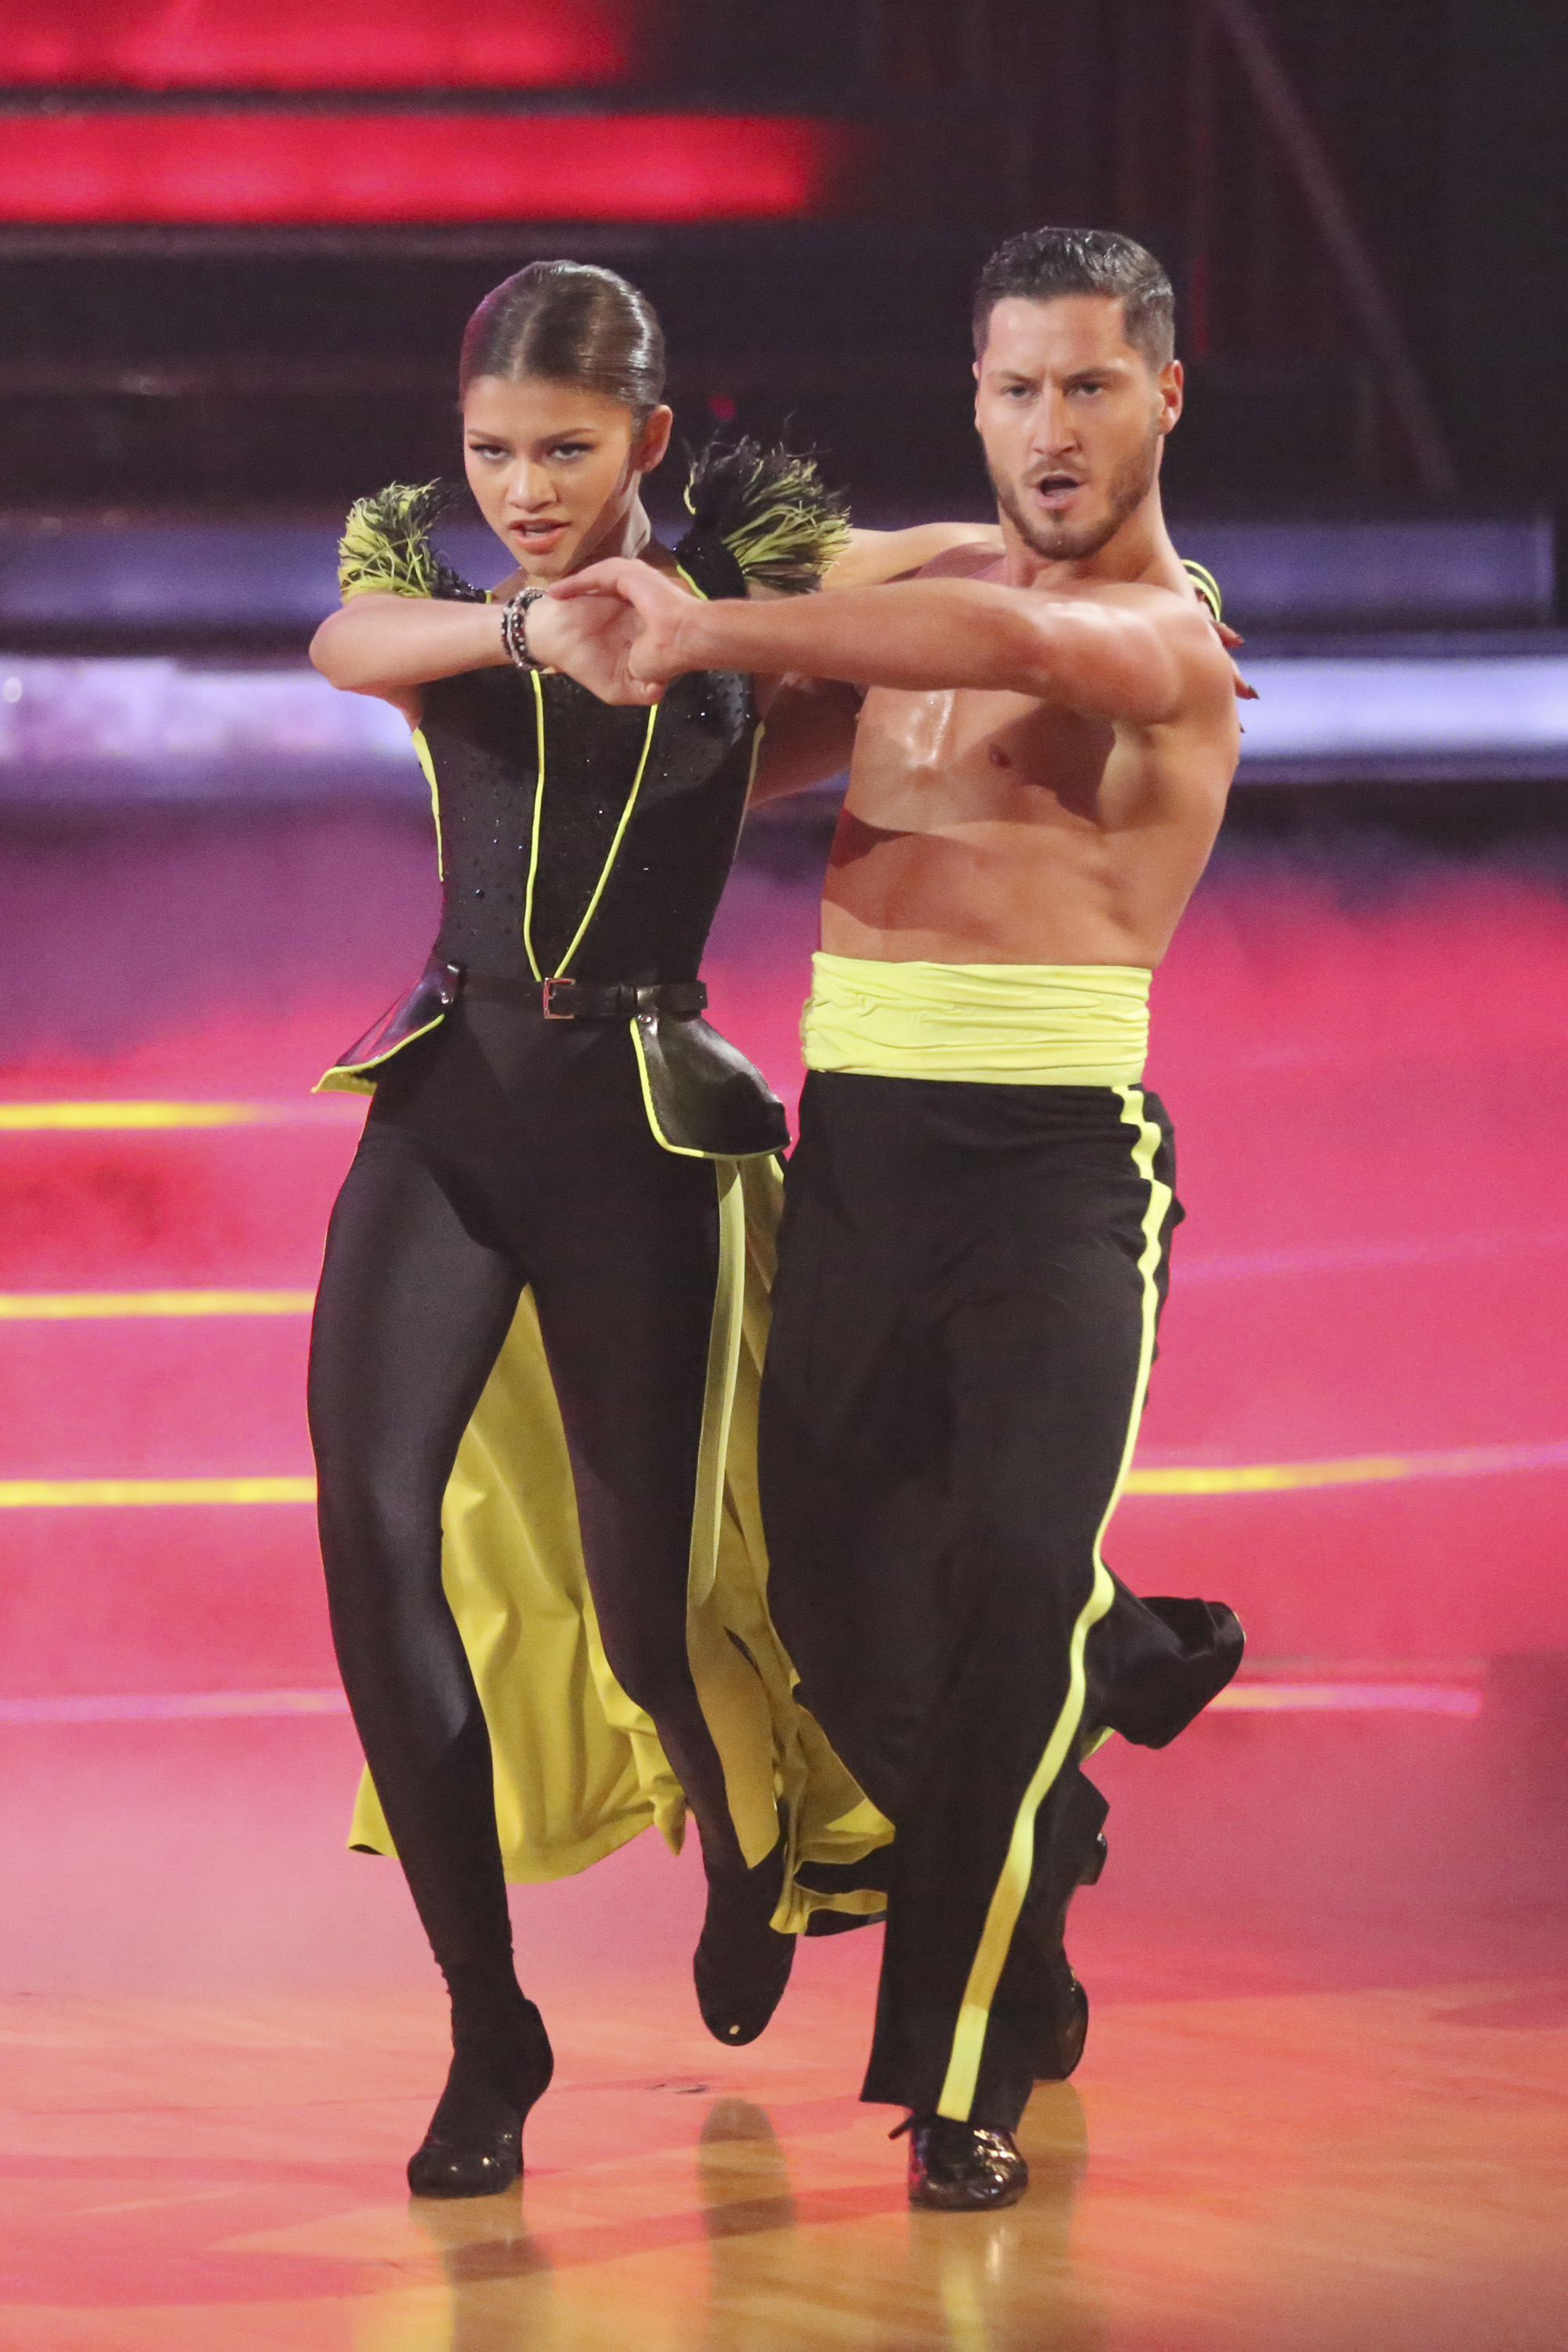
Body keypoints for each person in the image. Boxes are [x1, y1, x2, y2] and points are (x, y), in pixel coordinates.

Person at [546, 226, 1249, 2211]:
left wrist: (696, 630)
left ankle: (958, 2091)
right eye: (1017, 386)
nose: (1052, 426)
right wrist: (564, 589)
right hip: (846, 1155)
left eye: (1092, 385)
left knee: (1007, 1586)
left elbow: (1015, 648)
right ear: (973, 397)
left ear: (1162, 398)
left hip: (1053, 1177)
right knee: (844, 1619)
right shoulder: (918, 581)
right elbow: (702, 560)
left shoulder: (1161, 641)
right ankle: (1084, 1776)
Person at [306, 260, 962, 2200]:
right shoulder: (437, 588)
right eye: (493, 448)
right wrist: (525, 622)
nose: (520, 481)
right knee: (366, 1527)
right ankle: (485, 2025)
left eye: (566, 451)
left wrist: (1122, 583)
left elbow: (932, 562)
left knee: (654, 1602)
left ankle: (754, 1843)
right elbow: (344, 643)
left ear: (649, 443)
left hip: (644, 1134)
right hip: (446, 1114)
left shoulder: (738, 587)